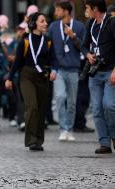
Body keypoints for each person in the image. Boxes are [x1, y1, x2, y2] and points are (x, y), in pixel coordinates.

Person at [5, 12, 54, 151]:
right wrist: (9, 78)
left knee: (41, 108)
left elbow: (52, 59)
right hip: (27, 76)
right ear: (33, 24)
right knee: (32, 106)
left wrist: (54, 70)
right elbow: (17, 62)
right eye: (42, 21)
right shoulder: (25, 41)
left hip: (43, 76)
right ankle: (31, 140)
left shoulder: (48, 41)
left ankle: (39, 140)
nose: (45, 23)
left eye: (45, 21)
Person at [48, 1, 86, 141]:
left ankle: (69, 129)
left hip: (74, 69)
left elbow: (84, 48)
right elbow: (49, 49)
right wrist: (51, 68)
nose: (56, 13)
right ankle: (63, 128)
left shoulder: (79, 26)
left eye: (58, 10)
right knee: (60, 97)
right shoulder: (53, 27)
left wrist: (72, 36)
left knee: (71, 102)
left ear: (66, 11)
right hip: (58, 69)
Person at [83, 0, 115, 154]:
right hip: (95, 72)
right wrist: (88, 54)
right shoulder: (90, 24)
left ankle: (114, 135)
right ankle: (105, 143)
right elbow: (84, 45)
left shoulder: (111, 22)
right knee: (96, 109)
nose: (86, 11)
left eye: (87, 8)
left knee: (108, 105)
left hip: (110, 72)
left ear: (95, 8)